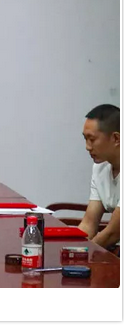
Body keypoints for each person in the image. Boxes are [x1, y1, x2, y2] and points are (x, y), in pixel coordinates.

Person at [78, 104, 120, 249]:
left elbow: (112, 233)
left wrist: (83, 253)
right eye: (85, 139)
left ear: (116, 138)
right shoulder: (100, 167)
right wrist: (71, 248)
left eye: (92, 139)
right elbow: (89, 224)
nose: (87, 147)